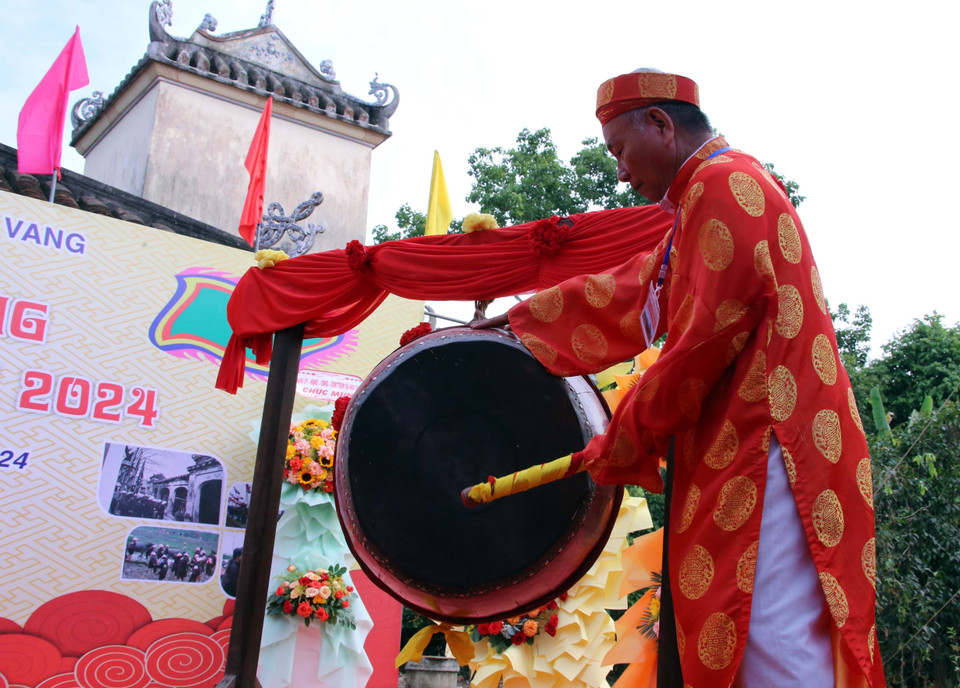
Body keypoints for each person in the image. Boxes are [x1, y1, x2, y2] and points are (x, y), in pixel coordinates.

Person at [476, 70, 883, 687]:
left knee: (769, 642)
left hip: (773, 449)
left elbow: (702, 340)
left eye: (619, 150)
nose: (619, 172)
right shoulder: (707, 195)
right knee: (757, 641)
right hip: (758, 442)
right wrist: (522, 322)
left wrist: (621, 436)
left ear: (661, 125)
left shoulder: (725, 186)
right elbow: (639, 290)